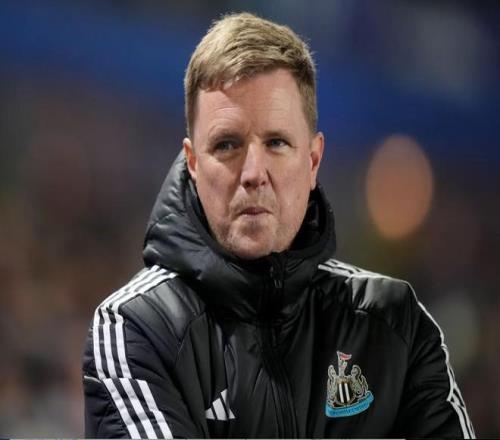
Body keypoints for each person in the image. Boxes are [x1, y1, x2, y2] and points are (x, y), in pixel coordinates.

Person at [83, 12, 475, 438]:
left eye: (276, 143)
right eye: (227, 145)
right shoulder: (136, 328)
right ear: (192, 163)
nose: (253, 172)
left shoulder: (395, 326)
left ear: (313, 161)